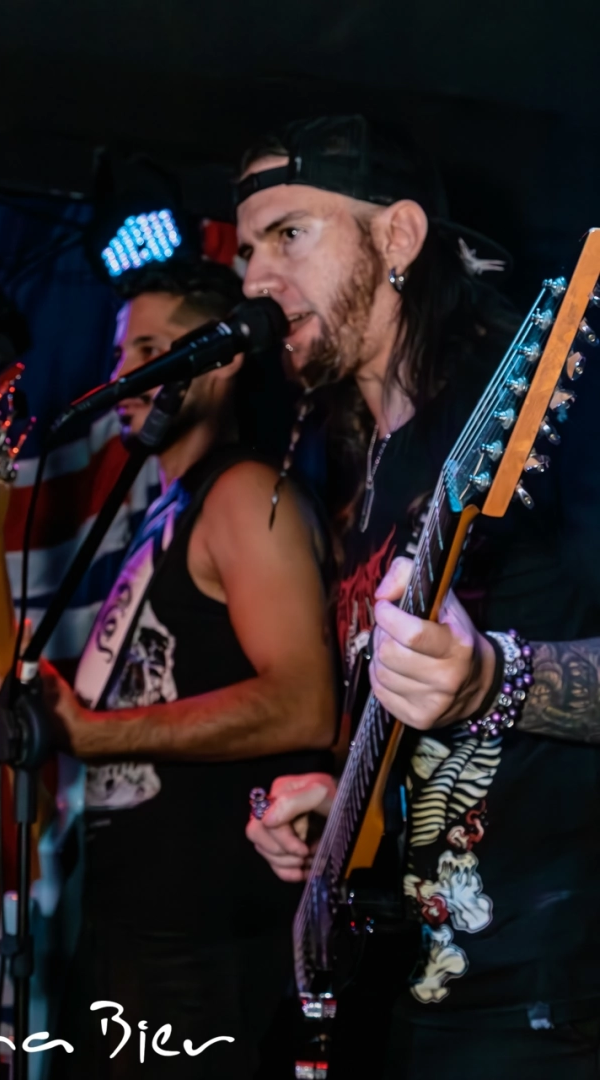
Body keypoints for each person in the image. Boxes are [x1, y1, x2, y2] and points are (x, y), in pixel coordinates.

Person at [238, 115, 600, 1078]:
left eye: (287, 235)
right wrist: (347, 805)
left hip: (543, 998)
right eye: (244, 252)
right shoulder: (364, 465)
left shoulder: (536, 418)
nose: (254, 279)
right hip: (402, 987)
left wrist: (493, 680)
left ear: (397, 236)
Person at [0, 257, 337, 1079]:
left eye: (151, 350)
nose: (125, 376)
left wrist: (90, 733)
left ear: (223, 359)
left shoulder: (241, 491)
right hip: (123, 938)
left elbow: (306, 703)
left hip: (203, 952)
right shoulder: (167, 510)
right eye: (119, 354)